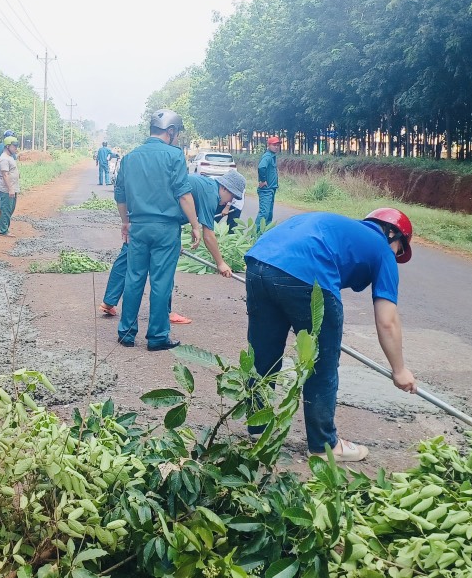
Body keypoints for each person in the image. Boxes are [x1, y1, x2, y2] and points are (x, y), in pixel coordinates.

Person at [243, 207, 418, 462]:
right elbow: (387, 320)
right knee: (322, 364)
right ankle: (324, 446)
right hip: (309, 275)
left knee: (263, 354)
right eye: (399, 249)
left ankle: (258, 430)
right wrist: (399, 370)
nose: (396, 256)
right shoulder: (382, 250)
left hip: (259, 262)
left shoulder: (341, 227)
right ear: (392, 233)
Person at [100, 169, 245, 325]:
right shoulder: (211, 193)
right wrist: (220, 263)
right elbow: (208, 235)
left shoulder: (205, 185)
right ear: (224, 187)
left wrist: (174, 240)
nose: (229, 201)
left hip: (143, 211)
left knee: (128, 253)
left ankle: (109, 301)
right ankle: (165, 312)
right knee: (165, 267)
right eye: (232, 196)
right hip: (160, 219)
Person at [113, 110, 201, 351]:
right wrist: (195, 225)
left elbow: (120, 194)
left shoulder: (130, 157)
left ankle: (126, 333)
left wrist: (125, 222)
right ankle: (158, 336)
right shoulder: (174, 156)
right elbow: (183, 194)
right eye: (176, 133)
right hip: (165, 229)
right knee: (162, 282)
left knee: (134, 278)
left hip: (138, 226)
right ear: (170, 131)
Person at [0, 137, 20, 236]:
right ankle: (3, 230)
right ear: (7, 146)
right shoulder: (4, 158)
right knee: (6, 209)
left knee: (10, 209)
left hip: (13, 187)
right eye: (14, 146)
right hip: (6, 189)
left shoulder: (10, 157)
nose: (16, 148)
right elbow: (5, 174)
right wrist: (10, 189)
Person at [256, 136, 281, 228]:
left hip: (271, 189)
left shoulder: (272, 156)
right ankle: (255, 236)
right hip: (266, 190)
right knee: (264, 214)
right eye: (274, 145)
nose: (276, 147)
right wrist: (263, 180)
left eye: (278, 145)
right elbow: (261, 167)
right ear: (269, 145)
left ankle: (265, 234)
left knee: (269, 214)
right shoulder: (267, 156)